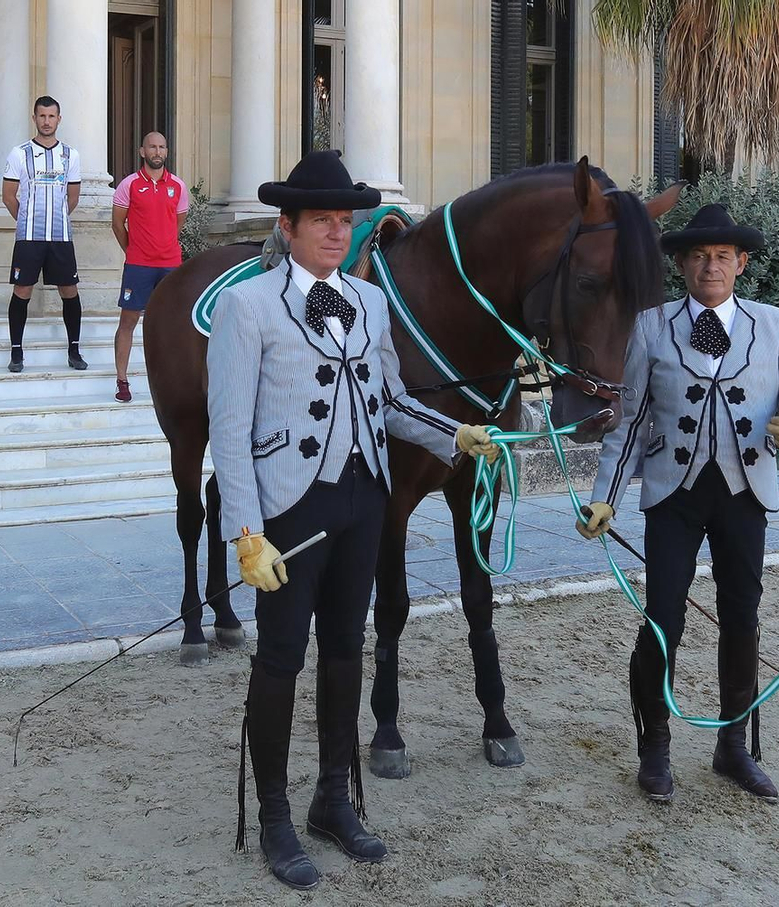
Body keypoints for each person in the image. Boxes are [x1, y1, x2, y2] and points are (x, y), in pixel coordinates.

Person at [208, 150, 499, 891]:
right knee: (281, 657)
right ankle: (275, 812)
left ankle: (332, 796)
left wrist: (451, 434)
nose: (337, 234)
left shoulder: (370, 303)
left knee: (345, 648)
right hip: (288, 504)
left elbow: (392, 402)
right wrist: (245, 531)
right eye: (322, 221)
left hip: (363, 497)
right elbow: (229, 427)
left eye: (345, 221)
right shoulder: (250, 307)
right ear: (289, 226)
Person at [578, 203, 779, 805]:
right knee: (663, 617)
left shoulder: (775, 326)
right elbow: (632, 419)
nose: (710, 266)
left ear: (741, 264)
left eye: (722, 256)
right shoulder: (652, 326)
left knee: (742, 615)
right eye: (698, 256)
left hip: (747, 493)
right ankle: (656, 744)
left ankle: (734, 745)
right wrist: (604, 498)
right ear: (683, 265)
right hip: (673, 492)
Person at [2, 96, 87, 373]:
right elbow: (8, 196)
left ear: (59, 119)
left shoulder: (70, 155)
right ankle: (16, 351)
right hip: (29, 238)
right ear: (34, 118)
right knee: (22, 290)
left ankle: (74, 349)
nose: (46, 121)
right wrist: (28, 220)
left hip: (61, 237)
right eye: (42, 116)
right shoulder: (19, 153)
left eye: (51, 116)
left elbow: (72, 198)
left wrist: (56, 219)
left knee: (69, 291)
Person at [110, 132, 187, 402]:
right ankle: (122, 380)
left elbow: (178, 222)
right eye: (152, 146)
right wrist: (133, 250)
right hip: (139, 265)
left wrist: (163, 245)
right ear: (142, 151)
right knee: (128, 321)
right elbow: (117, 224)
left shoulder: (177, 185)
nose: (157, 151)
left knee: (173, 324)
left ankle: (174, 381)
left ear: (166, 152)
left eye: (162, 147)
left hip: (170, 265)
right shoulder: (129, 184)